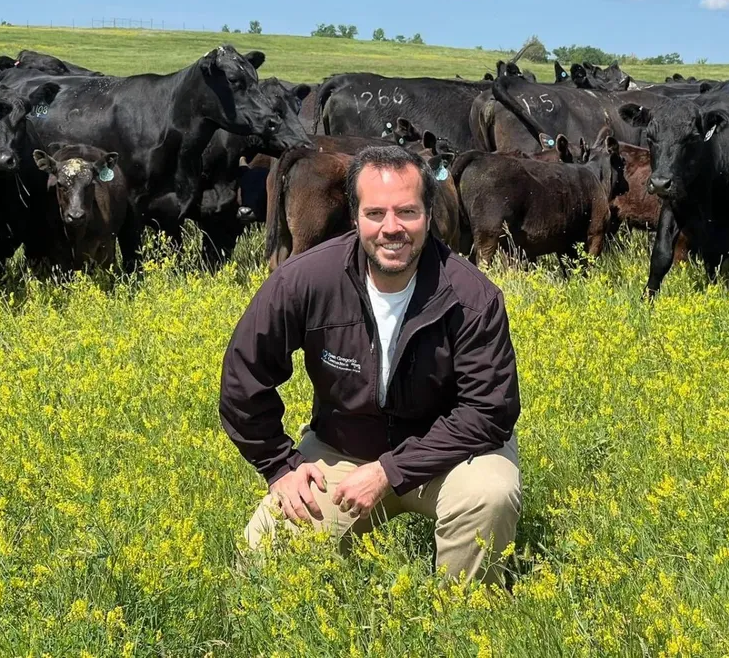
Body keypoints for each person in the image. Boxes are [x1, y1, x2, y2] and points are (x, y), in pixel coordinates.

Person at [219, 145, 522, 586]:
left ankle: (465, 620)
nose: (392, 228)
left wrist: (389, 472)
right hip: (345, 451)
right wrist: (279, 467)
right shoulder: (305, 281)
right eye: (376, 213)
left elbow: (489, 413)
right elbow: (243, 378)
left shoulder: (473, 297)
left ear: (430, 213)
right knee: (260, 566)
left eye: (407, 212)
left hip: (451, 457)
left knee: (490, 494)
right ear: (354, 216)